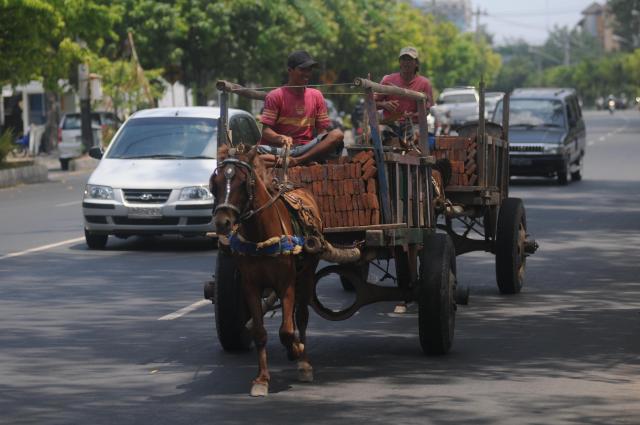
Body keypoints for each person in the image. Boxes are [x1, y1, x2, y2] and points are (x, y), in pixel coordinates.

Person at [257, 50, 344, 167]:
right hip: (282, 150)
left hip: (307, 149)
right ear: (290, 71)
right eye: (302, 69)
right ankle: (299, 161)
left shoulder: (316, 95)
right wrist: (280, 138)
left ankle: (297, 161)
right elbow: (265, 131)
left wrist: (323, 146)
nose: (307, 73)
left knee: (337, 134)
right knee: (255, 157)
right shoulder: (275, 96)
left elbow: (322, 132)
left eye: (309, 70)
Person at [375, 46, 434, 128]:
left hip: (415, 125)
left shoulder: (425, 83)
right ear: (399, 62)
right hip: (390, 124)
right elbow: (372, 103)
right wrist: (384, 104)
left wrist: (413, 115)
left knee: (421, 137)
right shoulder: (387, 80)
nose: (406, 63)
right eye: (403, 59)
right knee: (377, 136)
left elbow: (427, 110)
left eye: (409, 60)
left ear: (416, 63)